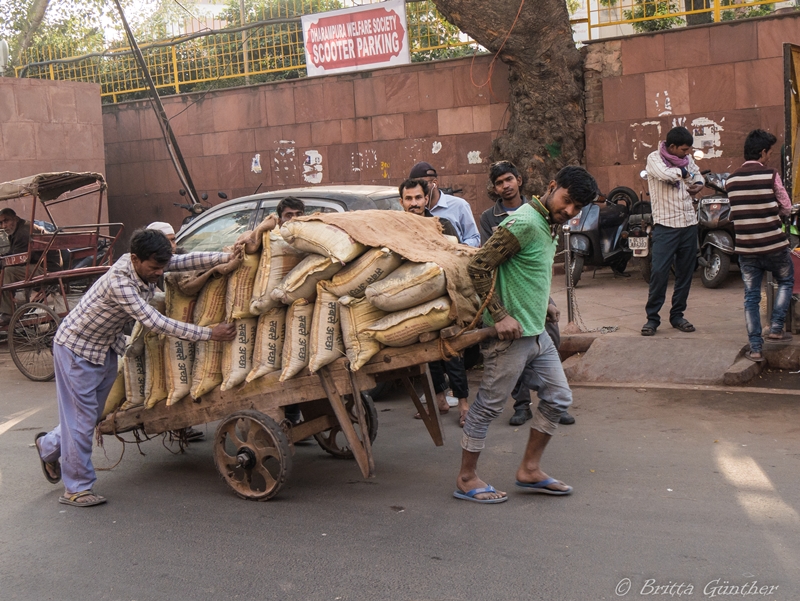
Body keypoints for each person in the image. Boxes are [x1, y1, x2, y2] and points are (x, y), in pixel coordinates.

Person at [34, 228, 238, 507]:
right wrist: (209, 333)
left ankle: (48, 446)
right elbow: (155, 322)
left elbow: (184, 261)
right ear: (135, 259)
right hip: (75, 349)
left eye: (161, 267)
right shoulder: (121, 282)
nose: (159, 273)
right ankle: (77, 489)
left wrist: (225, 255)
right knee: (80, 421)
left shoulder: (148, 265)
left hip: (103, 347)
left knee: (89, 416)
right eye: (154, 268)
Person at [455, 165, 599, 503]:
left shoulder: (549, 224)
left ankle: (530, 470)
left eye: (577, 208)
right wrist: (500, 315)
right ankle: (465, 477)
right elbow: (478, 266)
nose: (569, 211)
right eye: (566, 201)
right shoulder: (523, 222)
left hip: (537, 334)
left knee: (559, 397)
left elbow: (527, 270)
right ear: (552, 187)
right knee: (488, 407)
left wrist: (543, 303)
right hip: (510, 339)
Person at [479, 163, 576, 427]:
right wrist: (500, 314)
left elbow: (540, 264)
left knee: (551, 338)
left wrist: (544, 301)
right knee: (494, 395)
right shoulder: (498, 217)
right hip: (509, 296)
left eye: (509, 179)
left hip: (535, 294)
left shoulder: (547, 214)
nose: (505, 185)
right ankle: (522, 405)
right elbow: (483, 262)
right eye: (499, 182)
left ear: (519, 180)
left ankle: (552, 400)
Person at [399, 178, 470, 424]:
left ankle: (463, 404)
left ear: (426, 199)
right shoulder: (397, 228)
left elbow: (456, 256)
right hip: (415, 297)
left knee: (451, 348)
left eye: (418, 198)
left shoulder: (443, 225)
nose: (414, 203)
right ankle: (438, 398)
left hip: (444, 294)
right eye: (408, 199)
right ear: (402, 202)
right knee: (425, 350)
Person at [726, 129, 795, 362]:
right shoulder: (771, 175)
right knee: (786, 280)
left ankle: (755, 348)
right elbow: (786, 206)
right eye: (770, 153)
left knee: (751, 297)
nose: (770, 157)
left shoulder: (731, 180)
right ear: (762, 152)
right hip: (774, 246)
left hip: (747, 250)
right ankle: (776, 327)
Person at [641, 126, 704, 337]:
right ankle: (652, 318)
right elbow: (665, 175)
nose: (687, 154)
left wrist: (698, 185)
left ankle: (677, 315)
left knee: (685, 274)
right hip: (665, 226)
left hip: (688, 223)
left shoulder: (687, 160)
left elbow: (699, 177)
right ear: (672, 147)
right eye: (684, 150)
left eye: (689, 150)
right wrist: (686, 173)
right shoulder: (654, 158)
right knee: (659, 272)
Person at [276, 197, 306, 426]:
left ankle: (295, 412)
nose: (294, 219)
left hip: (304, 308)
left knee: (299, 361)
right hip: (277, 310)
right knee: (282, 362)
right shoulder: (275, 241)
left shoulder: (310, 240)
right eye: (289, 215)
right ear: (280, 219)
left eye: (298, 214)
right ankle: (289, 414)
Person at [0, 208, 56, 325]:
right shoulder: (17, 229)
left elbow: (19, 259)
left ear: (15, 218)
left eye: (6, 221)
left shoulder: (23, 232)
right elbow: (14, 253)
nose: (4, 226)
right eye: (1, 223)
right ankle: (12, 306)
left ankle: (8, 313)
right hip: (37, 265)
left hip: (46, 268)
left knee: (8, 271)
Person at [409, 161, 481, 247]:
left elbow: (474, 238)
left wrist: (459, 249)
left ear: (435, 183)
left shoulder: (459, 205)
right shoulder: (413, 209)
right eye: (415, 186)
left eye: (423, 184)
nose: (419, 189)